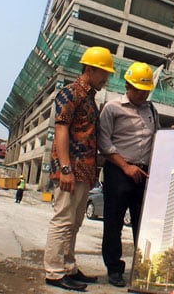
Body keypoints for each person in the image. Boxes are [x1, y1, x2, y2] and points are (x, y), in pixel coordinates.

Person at [43, 46, 115, 291]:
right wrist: (65, 168)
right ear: (90, 69)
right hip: (70, 169)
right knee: (63, 219)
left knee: (74, 222)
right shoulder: (70, 92)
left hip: (84, 171)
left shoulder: (90, 98)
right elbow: (61, 129)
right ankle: (54, 272)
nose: (105, 79)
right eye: (103, 73)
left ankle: (68, 267)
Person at [98, 61, 160, 288]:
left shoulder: (151, 110)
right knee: (113, 223)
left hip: (143, 174)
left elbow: (157, 138)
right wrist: (125, 167)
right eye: (140, 90)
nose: (144, 94)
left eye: (147, 91)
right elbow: (103, 143)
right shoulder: (112, 108)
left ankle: (143, 270)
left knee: (142, 225)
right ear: (128, 86)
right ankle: (114, 269)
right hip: (118, 172)